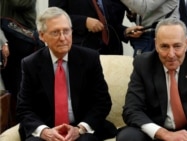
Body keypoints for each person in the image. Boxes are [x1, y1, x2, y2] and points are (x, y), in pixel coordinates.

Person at [16, 7, 117, 141]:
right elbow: (23, 108)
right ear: (41, 35)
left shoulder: (89, 58)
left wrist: (81, 128)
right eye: (56, 32)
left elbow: (102, 102)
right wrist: (44, 131)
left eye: (66, 31)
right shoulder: (30, 64)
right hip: (48, 129)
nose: (63, 38)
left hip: (81, 129)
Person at [116, 18, 187, 141]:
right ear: (156, 44)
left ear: (186, 43)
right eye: (164, 46)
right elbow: (132, 109)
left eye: (177, 46)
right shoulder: (143, 64)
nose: (171, 54)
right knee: (128, 137)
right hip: (157, 130)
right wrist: (163, 134)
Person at [0, 0, 44, 125]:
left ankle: (26, 123)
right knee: (14, 86)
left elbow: (19, 4)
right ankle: (19, 124)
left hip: (20, 39)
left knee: (22, 85)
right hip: (12, 38)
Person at [49, 0, 142, 55]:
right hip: (81, 51)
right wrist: (84, 21)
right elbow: (54, 17)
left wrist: (124, 31)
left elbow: (108, 21)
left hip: (111, 52)